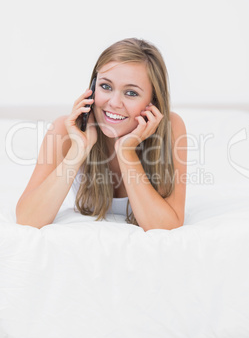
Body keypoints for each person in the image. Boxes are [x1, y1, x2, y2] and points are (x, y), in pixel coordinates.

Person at [16, 38, 187, 231]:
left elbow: (166, 227)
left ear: (153, 102)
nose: (114, 102)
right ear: (92, 89)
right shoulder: (64, 130)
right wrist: (78, 151)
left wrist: (126, 153)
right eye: (106, 86)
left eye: (131, 93)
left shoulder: (170, 128)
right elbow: (27, 219)